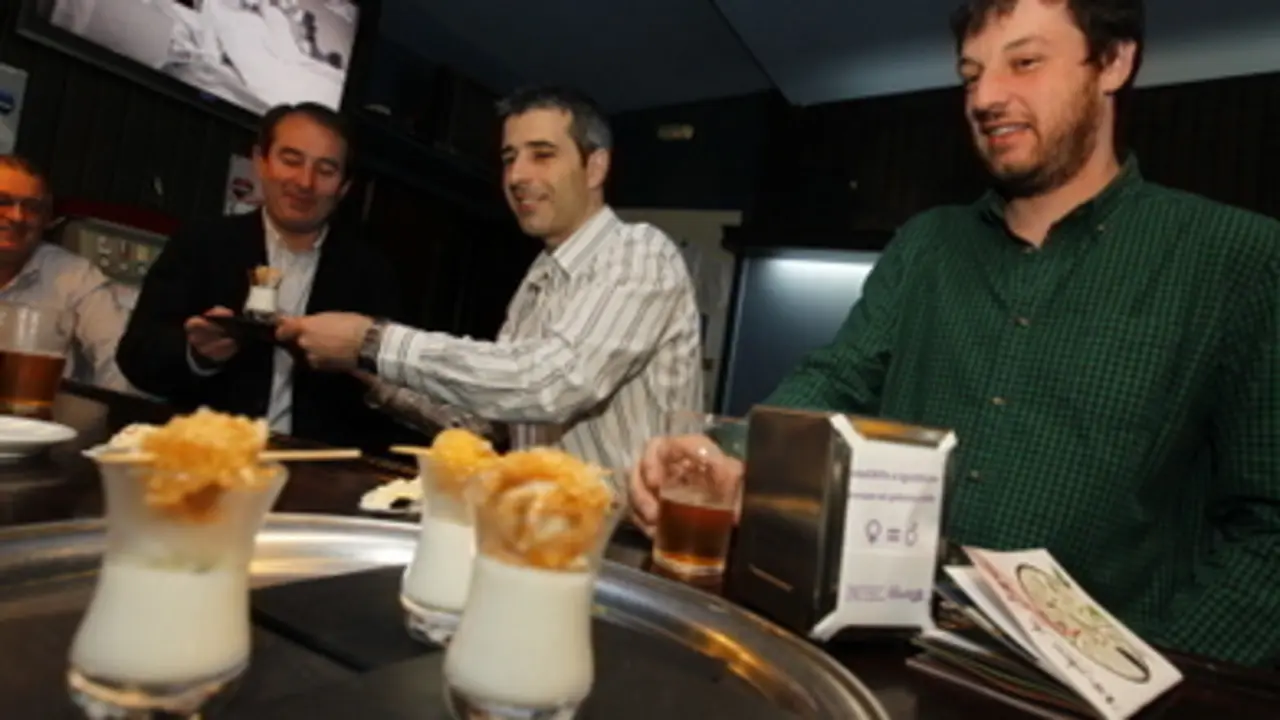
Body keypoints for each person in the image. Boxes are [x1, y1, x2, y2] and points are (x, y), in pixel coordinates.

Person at [634, 0, 1280, 667]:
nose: (987, 97)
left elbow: (1272, 531)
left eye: (1025, 62)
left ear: (1113, 62)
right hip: (901, 657)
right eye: (971, 75)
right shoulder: (926, 245)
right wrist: (725, 455)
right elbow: (834, 381)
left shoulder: (1239, 260)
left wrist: (1159, 673)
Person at [277, 86, 704, 473]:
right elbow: (484, 420)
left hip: (624, 543)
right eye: (509, 158)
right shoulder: (539, 279)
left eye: (542, 154)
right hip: (536, 531)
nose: (517, 175)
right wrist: (363, 369)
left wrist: (374, 341)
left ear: (594, 168)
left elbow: (552, 384)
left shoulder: (639, 252)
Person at [116, 102, 410, 453]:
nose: (305, 182)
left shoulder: (371, 273)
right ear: (261, 161)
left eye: (326, 169)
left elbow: (389, 399)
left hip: (317, 472)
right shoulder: (203, 243)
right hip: (206, 462)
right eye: (291, 159)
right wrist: (197, 355)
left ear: (344, 186)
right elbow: (135, 358)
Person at [0, 155, 136, 393]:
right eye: (2, 201)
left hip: (36, 424)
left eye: (33, 207)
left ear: (46, 219)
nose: (17, 216)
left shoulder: (75, 277)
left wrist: (117, 421)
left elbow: (119, 364)